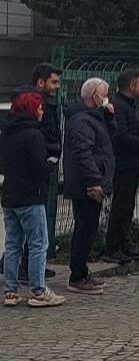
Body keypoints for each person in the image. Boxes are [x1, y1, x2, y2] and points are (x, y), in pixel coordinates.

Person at [1, 92, 66, 308]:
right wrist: (50, 164)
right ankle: (38, 290)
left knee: (12, 244)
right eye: (38, 108)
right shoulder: (34, 135)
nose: (41, 112)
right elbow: (40, 169)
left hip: (10, 195)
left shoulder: (7, 134)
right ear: (31, 110)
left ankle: (10, 291)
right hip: (31, 196)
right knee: (38, 243)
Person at [10, 62, 63, 283]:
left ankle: (21, 274)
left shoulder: (43, 106)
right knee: (33, 236)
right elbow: (40, 140)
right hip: (32, 181)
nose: (57, 87)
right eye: (54, 81)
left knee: (19, 237)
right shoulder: (32, 113)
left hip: (22, 183)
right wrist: (49, 159)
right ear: (40, 82)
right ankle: (33, 280)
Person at [63, 78, 115, 295]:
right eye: (104, 94)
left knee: (89, 229)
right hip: (86, 186)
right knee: (84, 229)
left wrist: (109, 116)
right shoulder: (82, 121)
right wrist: (95, 181)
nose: (106, 98)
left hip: (93, 182)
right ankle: (77, 275)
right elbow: (84, 153)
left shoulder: (95, 117)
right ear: (94, 96)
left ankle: (82, 271)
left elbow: (108, 142)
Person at [103, 69, 139, 264]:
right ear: (131, 86)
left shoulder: (128, 106)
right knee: (121, 205)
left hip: (131, 164)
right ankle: (114, 246)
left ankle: (123, 242)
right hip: (124, 164)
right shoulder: (120, 106)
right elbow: (119, 136)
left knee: (128, 205)